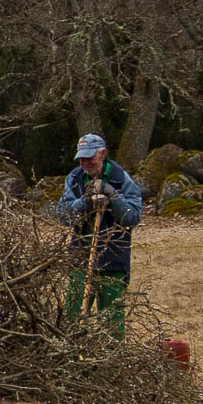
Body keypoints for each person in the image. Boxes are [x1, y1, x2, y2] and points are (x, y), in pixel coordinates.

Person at [57, 133, 143, 337]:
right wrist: (85, 202)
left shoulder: (121, 178)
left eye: (89, 157)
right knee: (73, 315)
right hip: (80, 258)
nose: (84, 163)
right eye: (81, 158)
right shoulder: (75, 178)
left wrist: (111, 195)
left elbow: (132, 217)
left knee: (112, 321)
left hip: (113, 259)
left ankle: (111, 355)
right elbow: (63, 214)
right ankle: (72, 350)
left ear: (102, 154)